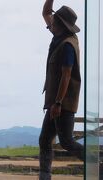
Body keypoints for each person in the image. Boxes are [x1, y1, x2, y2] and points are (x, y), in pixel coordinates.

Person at [39, 0, 84, 179]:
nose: (51, 24)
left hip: (63, 102)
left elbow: (66, 75)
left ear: (61, 25)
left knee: (66, 141)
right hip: (54, 103)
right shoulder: (59, 36)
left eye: (54, 22)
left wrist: (58, 103)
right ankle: (45, 176)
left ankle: (95, 163)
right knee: (44, 140)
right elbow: (45, 13)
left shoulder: (67, 45)